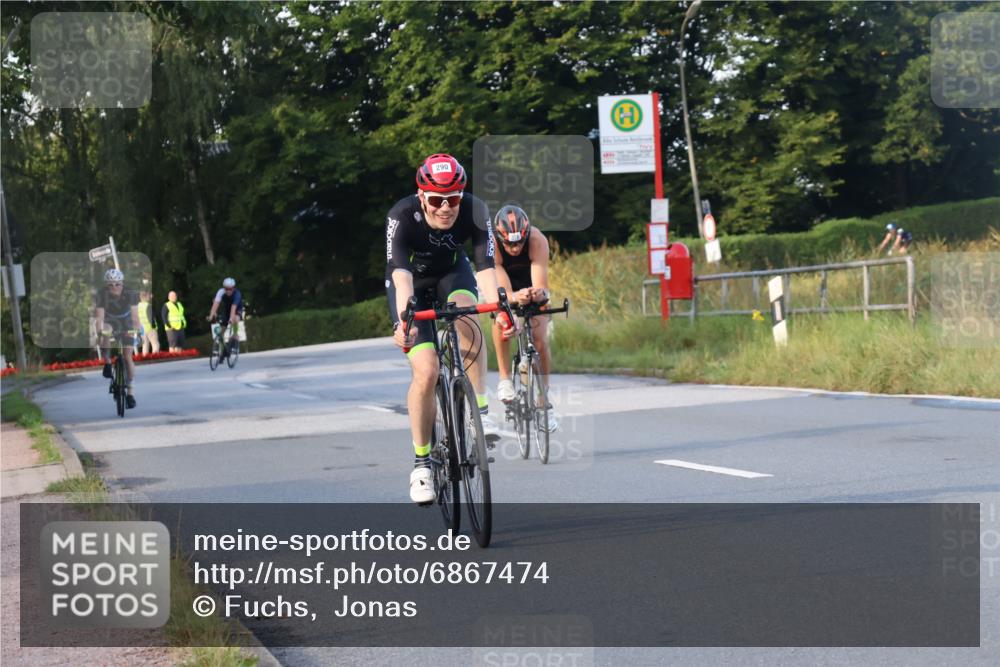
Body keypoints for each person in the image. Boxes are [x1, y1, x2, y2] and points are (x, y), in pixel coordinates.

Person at [386, 153, 513, 505]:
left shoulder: (475, 211)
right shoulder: (401, 215)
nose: (446, 207)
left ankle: (481, 415)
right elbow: (399, 273)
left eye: (454, 198)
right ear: (422, 195)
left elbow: (486, 267)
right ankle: (422, 464)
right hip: (411, 282)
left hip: (452, 274)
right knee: (426, 371)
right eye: (438, 200)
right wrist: (403, 323)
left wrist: (500, 311)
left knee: (468, 317)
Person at [491, 204, 557, 432]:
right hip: (505, 286)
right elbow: (501, 291)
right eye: (509, 243)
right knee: (502, 320)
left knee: (539, 339)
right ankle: (504, 379)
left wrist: (539, 294)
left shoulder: (537, 240)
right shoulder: (493, 245)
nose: (515, 247)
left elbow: (542, 286)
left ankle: (543, 398)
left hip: (529, 284)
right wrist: (513, 298)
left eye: (519, 242)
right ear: (500, 238)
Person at [95, 268, 140, 409]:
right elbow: (100, 317)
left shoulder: (130, 293)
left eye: (117, 284)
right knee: (106, 331)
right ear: (106, 285)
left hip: (126, 320)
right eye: (111, 285)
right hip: (110, 320)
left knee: (127, 357)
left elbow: (135, 316)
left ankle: (131, 393)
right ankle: (107, 363)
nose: (114, 287)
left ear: (122, 283)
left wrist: (136, 330)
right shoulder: (101, 294)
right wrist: (99, 332)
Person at [206, 277, 244, 353]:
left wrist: (231, 318)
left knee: (235, 320)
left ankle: (235, 339)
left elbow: (233, 308)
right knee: (222, 329)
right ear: (224, 288)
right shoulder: (221, 292)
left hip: (237, 309)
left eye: (230, 289)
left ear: (233, 288)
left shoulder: (237, 294)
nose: (228, 291)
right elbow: (215, 304)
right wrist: (211, 315)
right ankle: (220, 347)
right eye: (226, 289)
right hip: (227, 310)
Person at [137, 291, 160, 355]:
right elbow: (150, 316)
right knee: (155, 343)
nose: (150, 297)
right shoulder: (148, 305)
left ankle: (144, 358)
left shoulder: (138, 306)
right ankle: (155, 357)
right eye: (148, 296)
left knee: (145, 344)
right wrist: (154, 326)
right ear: (146, 297)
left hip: (142, 328)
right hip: (150, 327)